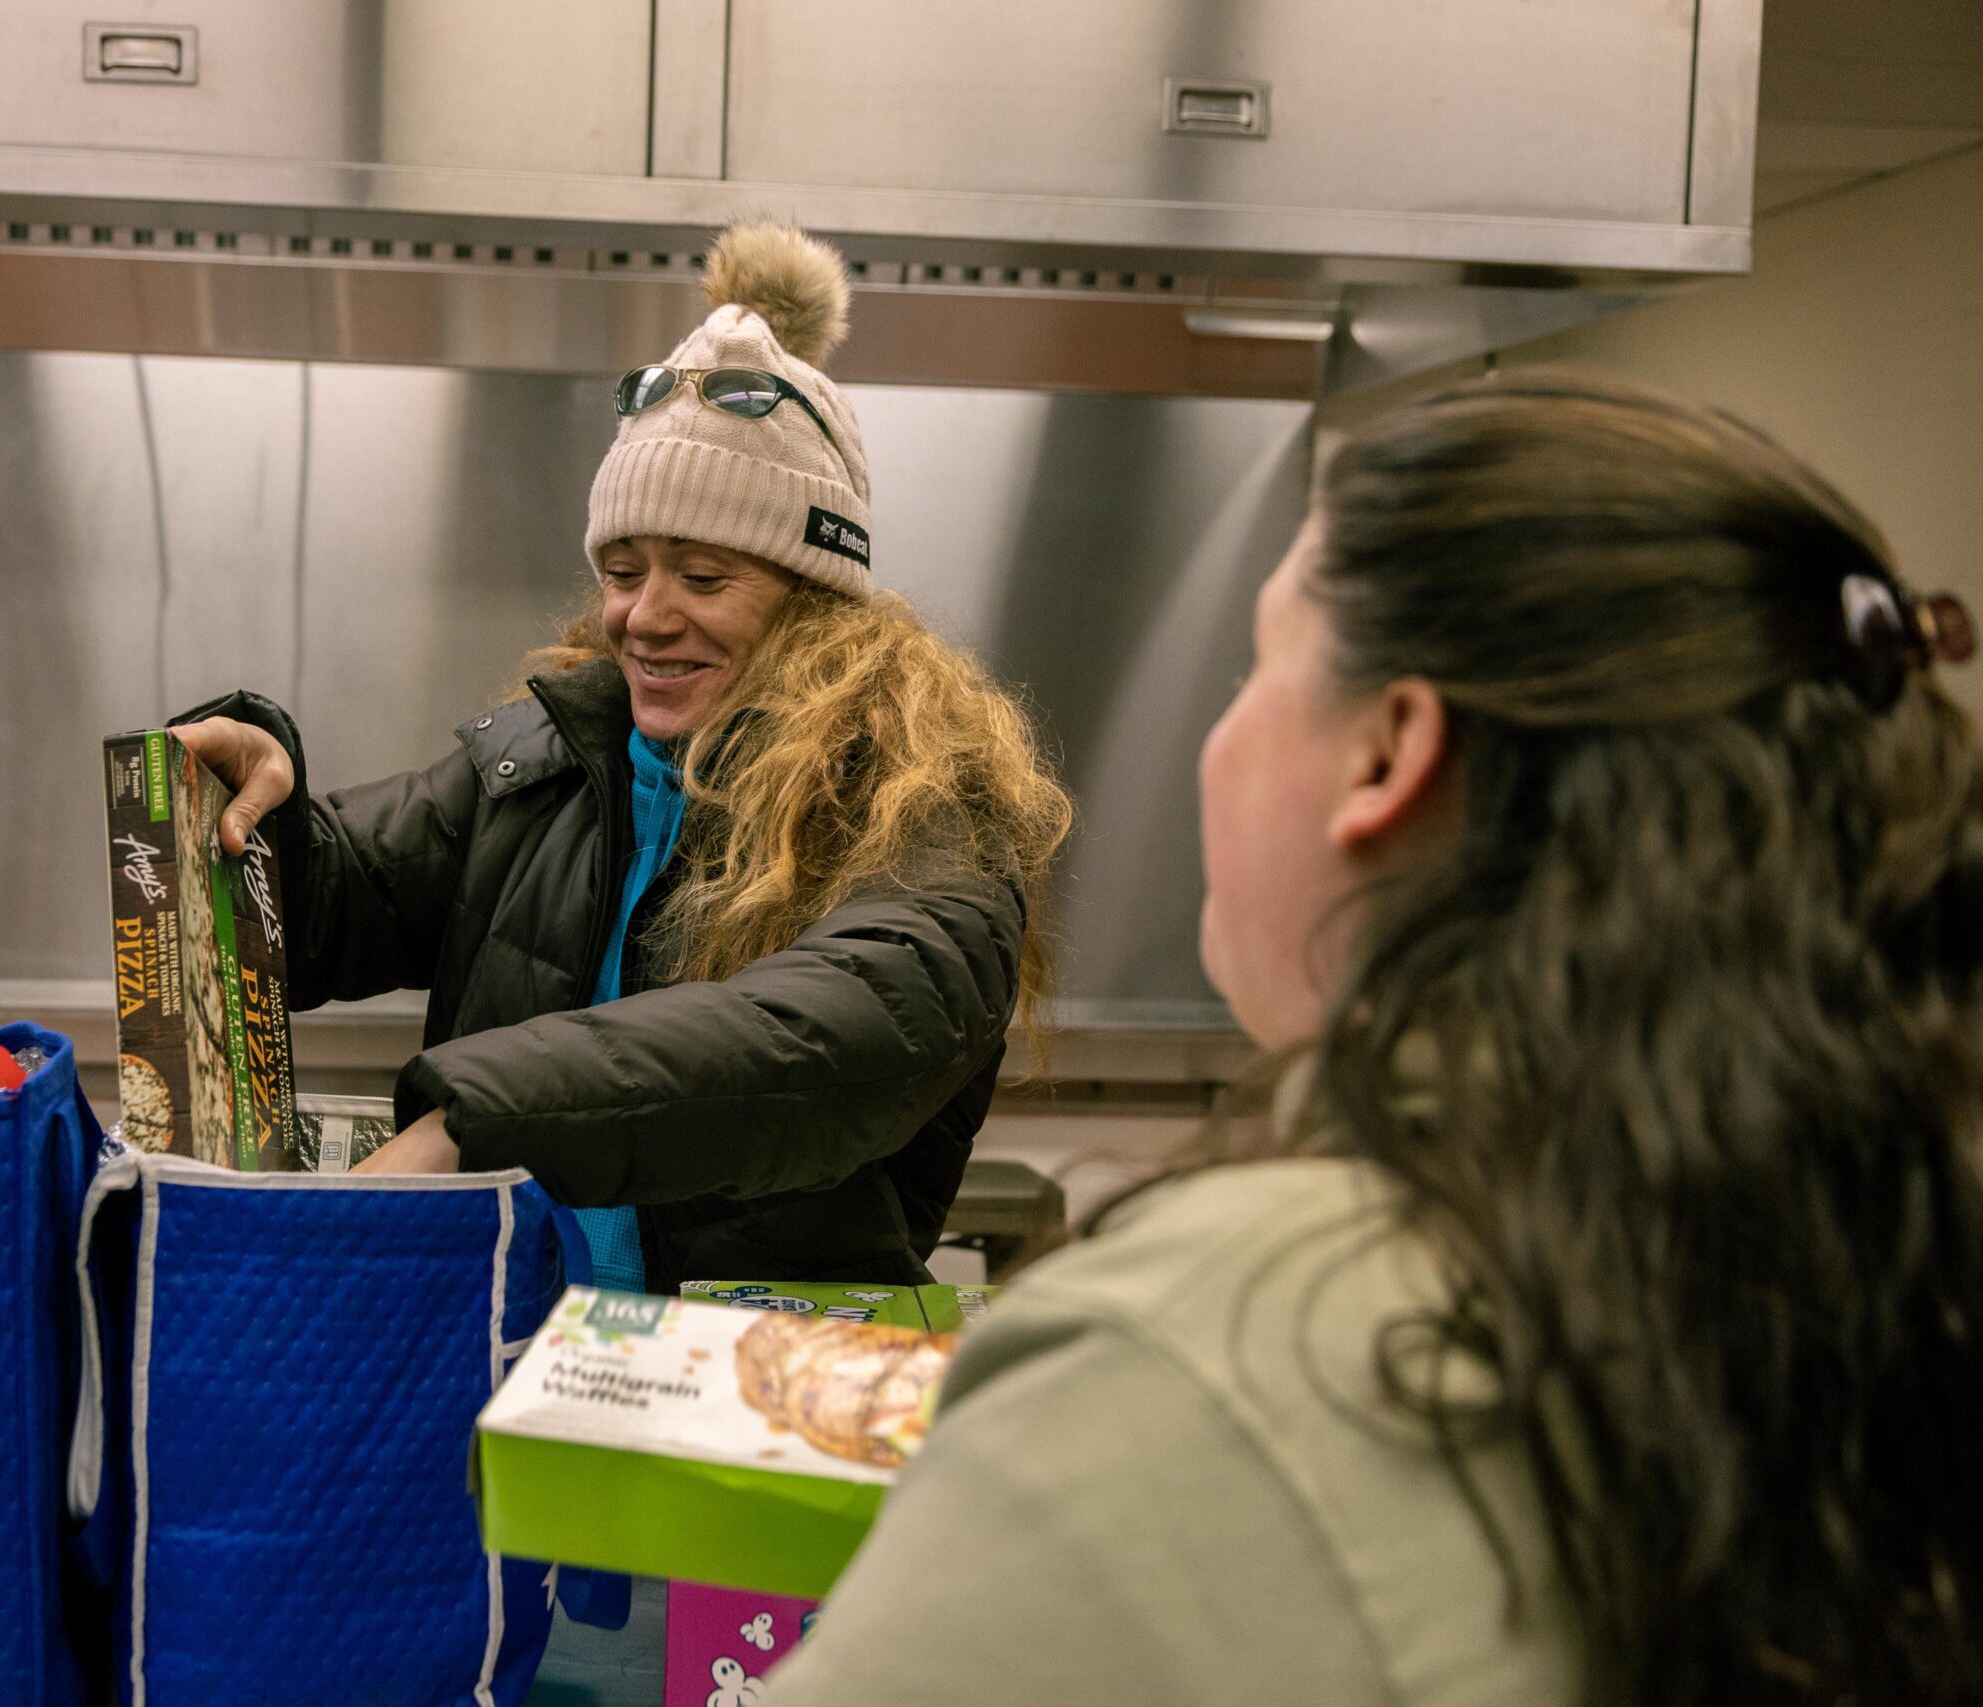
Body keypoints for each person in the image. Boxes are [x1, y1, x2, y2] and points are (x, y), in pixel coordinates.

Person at [759, 370, 1983, 1705]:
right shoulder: (1857, 1251)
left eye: (1259, 660)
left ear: (1389, 752)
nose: (1219, 731)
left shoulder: (1198, 1366)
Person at [171, 221, 1072, 1288]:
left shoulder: (915, 806)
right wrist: (243, 807)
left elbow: (832, 1036)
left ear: (819, 607)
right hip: (518, 1360)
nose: (643, 618)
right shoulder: (550, 762)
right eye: (623, 568)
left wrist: (481, 1119)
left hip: (734, 1395)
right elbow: (325, 913)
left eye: (702, 576)